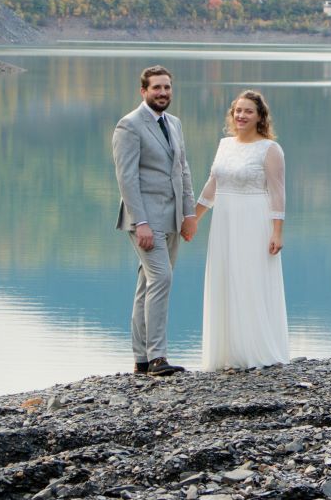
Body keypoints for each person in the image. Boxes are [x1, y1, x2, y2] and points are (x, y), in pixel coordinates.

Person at [192, 89, 290, 371]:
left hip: (254, 219)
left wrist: (277, 231)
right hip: (224, 220)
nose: (242, 115)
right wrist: (194, 219)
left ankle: (254, 351)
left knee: (250, 280)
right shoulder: (224, 144)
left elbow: (278, 193)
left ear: (260, 116)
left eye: (248, 111)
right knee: (225, 278)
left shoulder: (270, 149)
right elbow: (213, 185)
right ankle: (228, 353)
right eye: (238, 110)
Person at [112, 65, 197, 376]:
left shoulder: (173, 123)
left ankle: (142, 359)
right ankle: (158, 356)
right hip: (145, 220)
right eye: (156, 88)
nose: (163, 93)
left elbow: (183, 170)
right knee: (161, 279)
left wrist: (189, 213)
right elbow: (127, 178)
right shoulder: (129, 125)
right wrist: (141, 222)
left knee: (147, 283)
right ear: (143, 91)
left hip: (173, 217)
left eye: (167, 88)